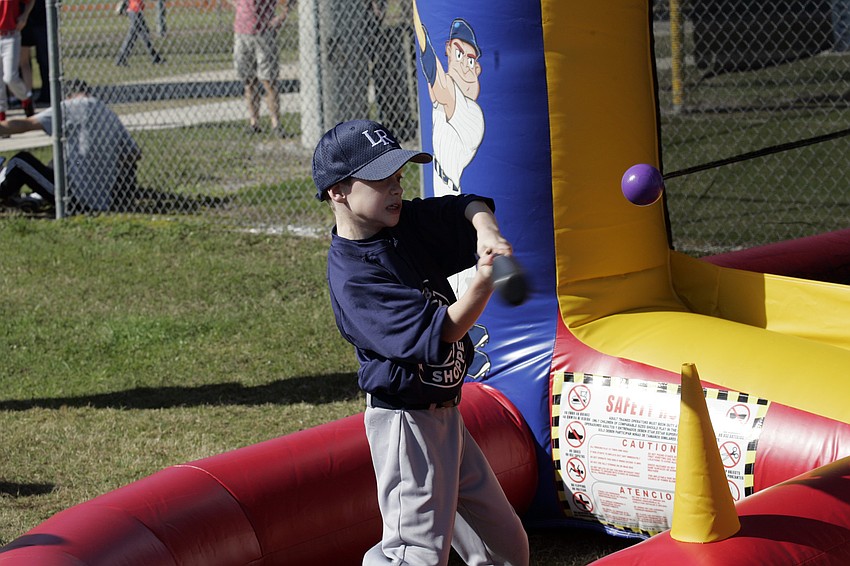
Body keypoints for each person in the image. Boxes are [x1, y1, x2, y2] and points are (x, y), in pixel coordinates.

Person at [312, 119, 529, 566]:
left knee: (505, 549)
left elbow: (465, 206)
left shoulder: (403, 225)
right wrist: (483, 285)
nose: (395, 189)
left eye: (398, 177)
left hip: (447, 418)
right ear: (338, 191)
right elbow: (442, 330)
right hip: (405, 425)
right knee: (413, 556)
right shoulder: (356, 278)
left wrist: (485, 231)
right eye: (380, 181)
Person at [0, 79, 141, 213]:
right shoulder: (107, 111)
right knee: (57, 161)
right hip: (105, 196)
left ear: (67, 96)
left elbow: (25, 124)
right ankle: (37, 197)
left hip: (74, 198)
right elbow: (133, 154)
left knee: (20, 162)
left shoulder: (71, 106)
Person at [228, 0, 294, 136]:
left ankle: (276, 124)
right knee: (249, 82)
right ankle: (254, 123)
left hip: (264, 33)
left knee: (269, 81)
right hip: (242, 32)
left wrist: (282, 16)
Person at [0, 0, 36, 119]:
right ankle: (1, 118)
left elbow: (30, 1)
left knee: (10, 77)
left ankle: (26, 99)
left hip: (10, 35)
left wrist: (24, 16)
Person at [115, 0, 165, 66]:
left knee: (143, 36)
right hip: (135, 11)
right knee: (133, 36)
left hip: (136, 11)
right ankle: (120, 59)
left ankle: (155, 58)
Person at [20, 0, 49, 106]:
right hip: (22, 16)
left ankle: (48, 93)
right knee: (23, 60)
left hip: (42, 18)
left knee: (44, 58)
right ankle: (25, 94)